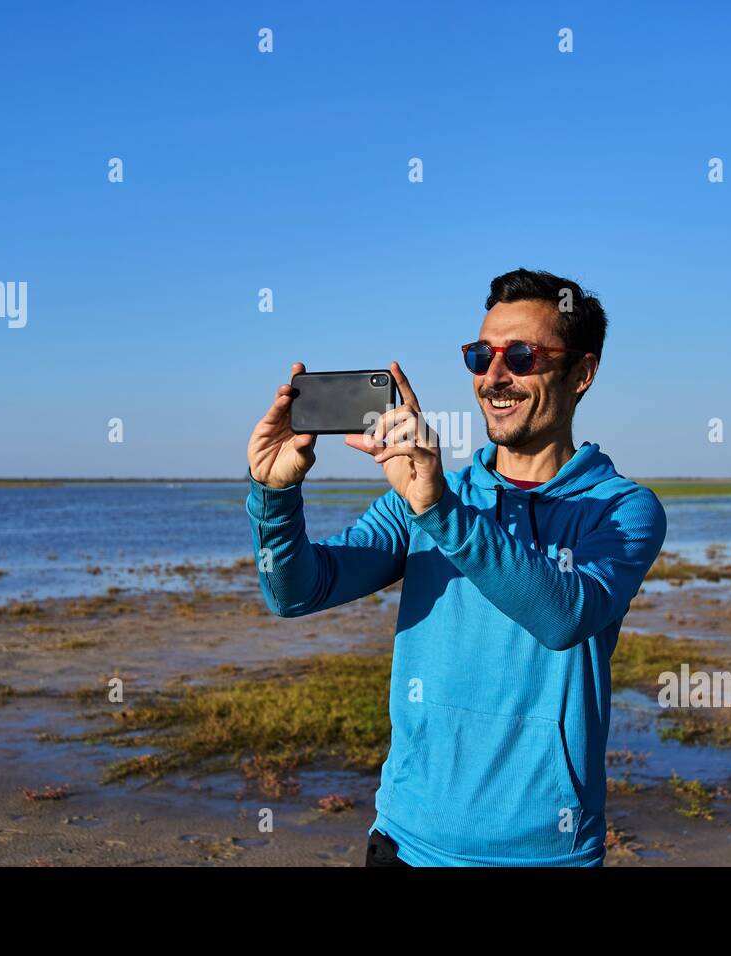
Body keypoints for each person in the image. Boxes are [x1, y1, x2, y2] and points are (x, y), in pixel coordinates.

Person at [245, 268, 666, 866]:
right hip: (405, 842)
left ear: (583, 372)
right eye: (480, 355)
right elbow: (297, 591)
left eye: (522, 355)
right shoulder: (429, 494)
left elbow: (565, 616)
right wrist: (273, 495)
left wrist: (440, 510)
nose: (495, 377)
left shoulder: (623, 510)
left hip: (542, 853)